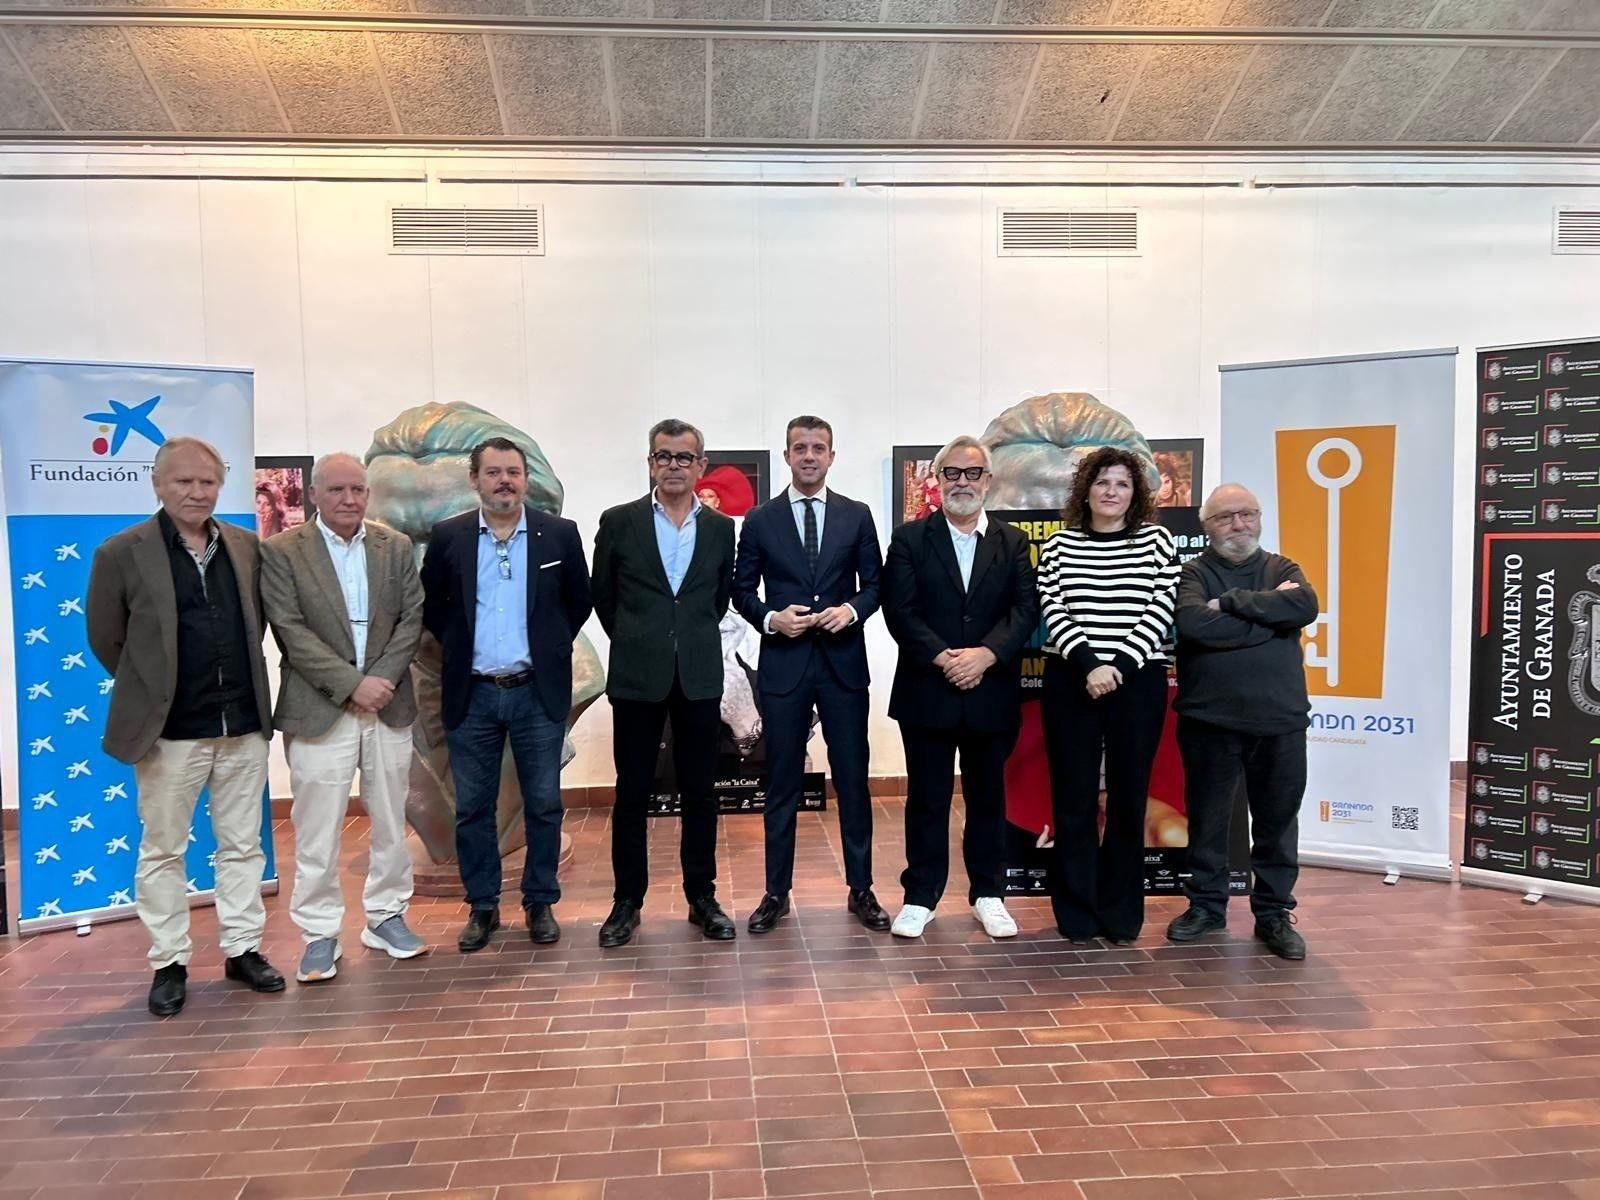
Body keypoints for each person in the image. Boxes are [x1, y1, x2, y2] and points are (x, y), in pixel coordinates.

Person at [86, 437, 282, 1017]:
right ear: (157, 484)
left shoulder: (247, 547)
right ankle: (169, 961)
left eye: (208, 482)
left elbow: (259, 625)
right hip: (171, 734)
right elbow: (108, 640)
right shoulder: (121, 553)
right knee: (163, 851)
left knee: (243, 848)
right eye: (184, 482)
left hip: (244, 725)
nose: (197, 492)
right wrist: (155, 690)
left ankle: (242, 950)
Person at [420, 436, 592, 953]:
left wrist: (550, 647)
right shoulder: (448, 538)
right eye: (493, 473)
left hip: (536, 693)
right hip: (471, 695)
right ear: (474, 480)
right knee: (473, 808)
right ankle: (483, 906)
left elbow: (578, 602)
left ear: (525, 479)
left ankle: (540, 902)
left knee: (543, 803)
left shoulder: (558, 535)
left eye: (513, 472)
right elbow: (433, 607)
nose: (504, 481)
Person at [260, 452, 427, 982]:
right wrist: (353, 684)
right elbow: (289, 629)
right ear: (313, 494)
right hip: (318, 709)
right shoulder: (284, 552)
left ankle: (386, 916)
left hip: (388, 704)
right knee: (315, 828)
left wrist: (379, 682)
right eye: (336, 490)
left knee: (390, 821)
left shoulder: (394, 547)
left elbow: (411, 617)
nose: (349, 499)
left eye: (358, 489)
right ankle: (318, 934)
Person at [733, 416, 888, 933]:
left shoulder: (857, 515)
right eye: (799, 448)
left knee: (852, 780)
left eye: (818, 448)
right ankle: (776, 892)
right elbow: (741, 590)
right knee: (780, 784)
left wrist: (853, 610)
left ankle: (861, 888)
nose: (809, 456)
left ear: (832, 456)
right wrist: (769, 619)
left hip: (843, 665)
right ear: (786, 456)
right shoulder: (759, 519)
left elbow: (876, 586)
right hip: (784, 666)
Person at [881, 436, 1038, 939]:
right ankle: (920, 896)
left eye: (973, 473)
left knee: (988, 797)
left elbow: (1024, 609)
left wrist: (987, 655)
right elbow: (899, 611)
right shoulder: (909, 539)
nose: (962, 482)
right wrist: (946, 658)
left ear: (988, 482)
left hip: (991, 689)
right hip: (928, 688)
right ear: (938, 480)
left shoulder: (1012, 543)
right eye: (953, 473)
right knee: (926, 797)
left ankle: (988, 893)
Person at [592, 419, 737, 947]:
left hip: (698, 677)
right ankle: (626, 902)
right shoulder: (619, 522)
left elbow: (716, 600)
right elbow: (604, 598)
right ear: (650, 463)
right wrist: (642, 641)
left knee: (701, 792)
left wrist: (682, 640)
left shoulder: (721, 529)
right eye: (663, 457)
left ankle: (702, 897)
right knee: (631, 792)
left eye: (683, 457)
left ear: (700, 466)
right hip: (636, 677)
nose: (673, 466)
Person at [1167, 483, 1318, 961]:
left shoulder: (1283, 568)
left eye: (1247, 514)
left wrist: (1229, 604)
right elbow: (1192, 624)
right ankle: (1206, 907)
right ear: (1207, 527)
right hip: (1210, 720)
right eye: (1226, 517)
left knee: (1277, 821)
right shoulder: (1192, 573)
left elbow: (1305, 606)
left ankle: (1273, 914)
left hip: (1281, 721)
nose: (1239, 525)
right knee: (1208, 820)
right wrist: (1270, 615)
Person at [1036, 446, 1179, 945]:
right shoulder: (1057, 547)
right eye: (1102, 483)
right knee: (1072, 800)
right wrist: (1089, 665)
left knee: (1127, 800)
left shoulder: (1159, 543)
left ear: (1134, 492)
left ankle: (1121, 915)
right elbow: (1053, 610)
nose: (1111, 492)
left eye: (1121, 483)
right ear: (1086, 491)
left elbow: (1162, 609)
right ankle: (1076, 912)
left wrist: (1116, 667)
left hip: (1136, 681)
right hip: (1071, 679)